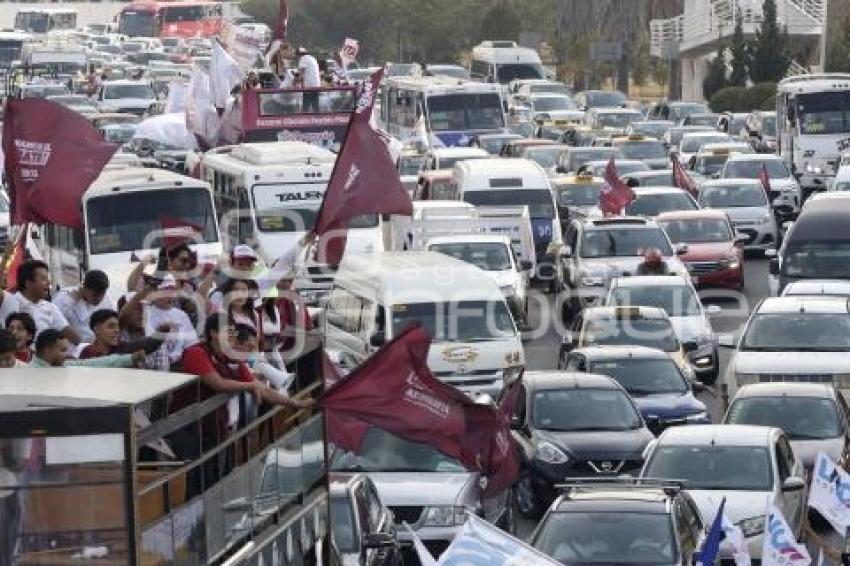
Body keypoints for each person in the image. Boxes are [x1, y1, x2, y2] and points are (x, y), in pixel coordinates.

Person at [14, 260, 80, 344]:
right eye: (43, 279)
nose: (48, 283)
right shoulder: (11, 303)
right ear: (28, 283)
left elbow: (71, 334)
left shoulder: (50, 307)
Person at [143, 275, 198, 370]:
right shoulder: (145, 312)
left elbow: (191, 344)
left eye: (172, 290)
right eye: (164, 291)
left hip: (178, 366)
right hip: (153, 365)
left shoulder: (181, 315)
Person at [53, 270, 115, 344]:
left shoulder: (107, 299)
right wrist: (71, 302)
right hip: (73, 348)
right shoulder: (65, 298)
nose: (99, 299)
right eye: (95, 296)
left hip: (101, 346)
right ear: (84, 288)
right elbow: (54, 321)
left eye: (102, 294)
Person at [30, 329, 146, 368]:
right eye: (62, 350)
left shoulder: (63, 366)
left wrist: (130, 358)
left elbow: (96, 363)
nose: (67, 355)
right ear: (47, 350)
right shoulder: (25, 372)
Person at [80, 309, 164, 360]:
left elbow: (151, 343)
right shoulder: (86, 353)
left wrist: (162, 332)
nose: (117, 330)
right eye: (111, 326)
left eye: (118, 327)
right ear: (97, 329)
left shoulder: (125, 348)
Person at [297, 46, 321, 112]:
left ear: (299, 55)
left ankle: (304, 119)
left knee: (305, 106)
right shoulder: (312, 58)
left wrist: (297, 81)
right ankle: (318, 119)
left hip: (309, 86)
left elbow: (301, 73)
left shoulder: (303, 59)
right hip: (316, 85)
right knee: (315, 106)